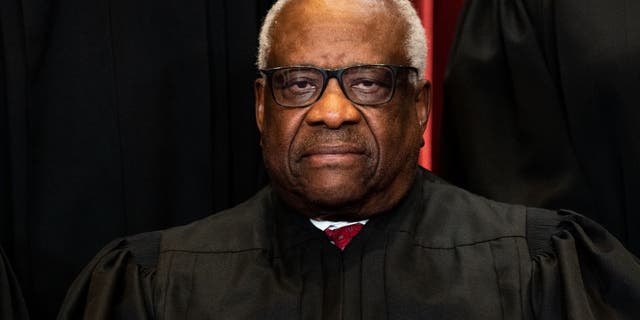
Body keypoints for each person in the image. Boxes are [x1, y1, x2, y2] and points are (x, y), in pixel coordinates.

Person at [57, 0, 640, 319]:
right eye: (299, 82)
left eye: (367, 83)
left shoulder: (539, 272)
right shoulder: (154, 286)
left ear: (419, 106)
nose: (330, 111)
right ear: (262, 106)